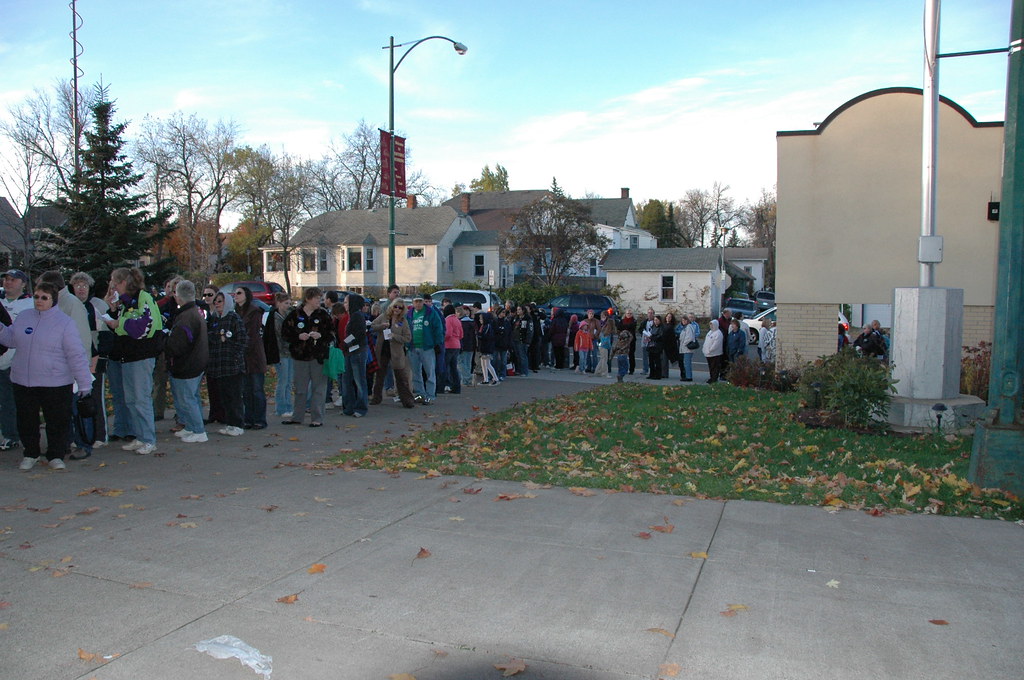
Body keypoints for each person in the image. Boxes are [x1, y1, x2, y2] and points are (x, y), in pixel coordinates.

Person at [0, 281, 92, 471]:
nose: (39, 301)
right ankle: (30, 453)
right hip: (24, 381)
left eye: (44, 297)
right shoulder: (24, 317)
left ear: (53, 300)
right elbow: (11, 338)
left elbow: (76, 354)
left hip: (55, 382)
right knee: (26, 420)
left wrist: (84, 384)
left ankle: (56, 455)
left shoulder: (65, 323)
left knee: (57, 421)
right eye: (36, 297)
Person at [106, 267, 164, 455]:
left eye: (114, 281)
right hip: (128, 356)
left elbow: (143, 327)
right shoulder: (126, 302)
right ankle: (140, 436)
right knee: (131, 400)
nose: (112, 285)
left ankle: (149, 439)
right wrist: (114, 312)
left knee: (141, 399)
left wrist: (119, 323)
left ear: (123, 282)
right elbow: (122, 327)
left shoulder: (143, 297)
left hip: (142, 356)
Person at [68, 272, 110, 458]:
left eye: (84, 285)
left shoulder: (96, 308)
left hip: (93, 361)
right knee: (73, 402)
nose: (81, 288)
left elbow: (105, 336)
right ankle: (76, 435)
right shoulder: (67, 307)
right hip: (72, 362)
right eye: (77, 285)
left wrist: (98, 359)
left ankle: (100, 435)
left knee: (95, 400)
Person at [281, 287, 334, 426]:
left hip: (318, 356)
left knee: (319, 388)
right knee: (300, 389)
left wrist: (321, 335)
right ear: (308, 299)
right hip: (300, 356)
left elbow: (332, 334)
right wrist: (298, 336)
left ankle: (317, 418)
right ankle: (297, 417)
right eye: (317, 298)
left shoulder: (323, 315)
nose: (320, 301)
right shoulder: (294, 315)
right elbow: (285, 333)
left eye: (321, 298)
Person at [165, 280, 209, 443]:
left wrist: (165, 342)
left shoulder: (186, 317)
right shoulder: (194, 313)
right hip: (195, 362)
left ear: (178, 296)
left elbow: (178, 345)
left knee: (187, 399)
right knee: (190, 398)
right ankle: (191, 427)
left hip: (187, 364)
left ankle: (198, 430)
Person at [205, 290, 247, 436]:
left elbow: (242, 340)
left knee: (234, 395)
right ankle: (229, 422)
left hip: (232, 365)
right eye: (215, 301)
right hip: (218, 365)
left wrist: (233, 353)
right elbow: (211, 338)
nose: (217, 304)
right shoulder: (215, 320)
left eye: (220, 301)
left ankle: (237, 423)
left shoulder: (233, 318)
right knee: (224, 396)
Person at [0, 269, 33, 451]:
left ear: (23, 283)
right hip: (0, 357)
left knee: (12, 401)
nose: (8, 282)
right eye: (6, 279)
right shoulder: (0, 300)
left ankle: (12, 435)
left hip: (17, 360)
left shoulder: (30, 304)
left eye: (13, 280)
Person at [370, 298, 416, 408]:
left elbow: (407, 338)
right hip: (383, 350)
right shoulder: (384, 316)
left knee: (401, 377)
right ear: (392, 307)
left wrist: (394, 336)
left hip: (396, 352)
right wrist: (382, 326)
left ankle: (407, 400)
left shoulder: (403, 321)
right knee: (380, 376)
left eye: (400, 308)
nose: (397, 309)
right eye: (395, 306)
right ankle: (376, 398)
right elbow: (372, 326)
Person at [233, 287, 268, 429]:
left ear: (247, 295)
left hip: (254, 356)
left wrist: (240, 346)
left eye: (239, 293)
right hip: (242, 358)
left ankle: (260, 419)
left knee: (257, 389)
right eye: (235, 293)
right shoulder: (235, 312)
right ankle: (248, 418)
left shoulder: (254, 312)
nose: (236, 295)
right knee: (246, 390)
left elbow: (252, 335)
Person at [407, 296, 443, 404]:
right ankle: (420, 394)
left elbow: (438, 328)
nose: (418, 304)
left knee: (430, 372)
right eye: (416, 301)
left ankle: (430, 395)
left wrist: (438, 343)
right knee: (415, 373)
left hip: (427, 347)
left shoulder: (431, 313)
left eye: (420, 302)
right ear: (413, 303)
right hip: (413, 347)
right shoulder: (409, 314)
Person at [265, 292, 293, 420]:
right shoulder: (275, 317)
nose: (288, 306)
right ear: (279, 303)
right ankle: (281, 407)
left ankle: (287, 405)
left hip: (290, 352)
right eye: (286, 303)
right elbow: (278, 336)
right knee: (283, 380)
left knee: (289, 381)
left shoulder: (288, 315)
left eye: (289, 303)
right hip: (280, 352)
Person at [339, 293, 368, 417]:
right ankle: (348, 407)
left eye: (346, 302)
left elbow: (357, 334)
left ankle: (360, 408)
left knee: (359, 380)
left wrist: (345, 343)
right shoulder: (350, 316)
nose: (344, 305)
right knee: (346, 380)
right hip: (348, 351)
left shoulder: (357, 316)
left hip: (358, 351)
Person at [442, 304, 463, 394]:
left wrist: (442, 339)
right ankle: (456, 386)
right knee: (454, 368)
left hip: (449, 345)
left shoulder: (448, 320)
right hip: (457, 345)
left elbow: (448, 334)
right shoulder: (457, 320)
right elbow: (461, 334)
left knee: (445, 366)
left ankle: (444, 384)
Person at [477, 311, 500, 385]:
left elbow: (485, 337)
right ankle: (485, 379)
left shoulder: (487, 327)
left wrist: (478, 336)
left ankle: (495, 378)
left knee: (487, 364)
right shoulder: (485, 326)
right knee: (484, 364)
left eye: (481, 319)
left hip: (486, 347)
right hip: (484, 347)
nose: (480, 320)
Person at [512, 305, 533, 376]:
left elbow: (530, 331)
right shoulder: (516, 318)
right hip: (515, 339)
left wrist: (528, 341)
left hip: (522, 340)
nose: (518, 311)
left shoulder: (527, 319)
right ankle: (519, 370)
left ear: (523, 311)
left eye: (519, 310)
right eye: (517, 310)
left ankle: (524, 371)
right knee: (517, 355)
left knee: (523, 356)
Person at [703, 319, 725, 384]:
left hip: (715, 353)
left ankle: (714, 378)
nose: (711, 326)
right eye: (710, 325)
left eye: (712, 325)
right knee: (711, 367)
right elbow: (706, 341)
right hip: (708, 354)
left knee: (715, 367)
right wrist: (704, 349)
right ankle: (711, 377)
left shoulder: (718, 333)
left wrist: (710, 349)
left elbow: (716, 343)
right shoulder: (709, 332)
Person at [678, 315, 697, 382]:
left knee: (687, 363)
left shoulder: (689, 327)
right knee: (686, 363)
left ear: (687, 321)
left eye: (685, 320)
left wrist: (684, 344)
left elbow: (689, 337)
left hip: (687, 349)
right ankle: (687, 375)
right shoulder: (685, 328)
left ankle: (689, 377)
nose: (683, 321)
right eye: (682, 320)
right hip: (684, 348)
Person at [618, 309, 638, 374]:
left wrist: (624, 327)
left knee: (631, 355)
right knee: (623, 355)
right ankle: (623, 368)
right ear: (625, 314)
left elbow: (631, 326)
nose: (629, 314)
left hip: (631, 340)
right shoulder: (622, 321)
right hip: (623, 341)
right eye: (627, 313)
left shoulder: (634, 321)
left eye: (630, 313)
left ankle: (631, 369)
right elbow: (619, 327)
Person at [645, 314, 664, 380]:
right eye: (654, 320)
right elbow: (650, 333)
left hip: (657, 346)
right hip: (651, 346)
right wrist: (648, 337)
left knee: (657, 361)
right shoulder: (653, 327)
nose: (655, 321)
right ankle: (652, 374)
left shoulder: (661, 327)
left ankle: (658, 375)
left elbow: (660, 336)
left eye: (657, 320)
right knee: (651, 361)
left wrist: (652, 337)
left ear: (660, 321)